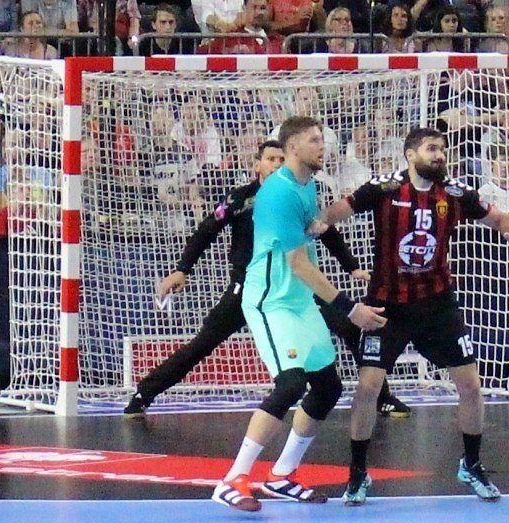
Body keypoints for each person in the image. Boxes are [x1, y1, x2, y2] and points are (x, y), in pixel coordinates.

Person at [315, 127, 509, 505]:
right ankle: (358, 472)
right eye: (431, 148)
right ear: (410, 155)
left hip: (437, 305)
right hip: (387, 306)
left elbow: (502, 219)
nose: (439, 154)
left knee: (470, 385)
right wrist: (315, 223)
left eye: (442, 149)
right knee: (367, 389)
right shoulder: (382, 189)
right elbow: (333, 213)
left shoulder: (456, 194)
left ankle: (472, 464)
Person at [124, 139, 410, 416]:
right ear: (257, 165)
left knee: (350, 327)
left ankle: (381, 397)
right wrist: (182, 269)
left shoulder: (296, 195)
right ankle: (144, 394)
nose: (276, 164)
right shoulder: (241, 198)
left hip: (292, 289)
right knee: (202, 344)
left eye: (281, 160)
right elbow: (207, 230)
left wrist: (351, 267)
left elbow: (327, 230)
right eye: (270, 159)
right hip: (249, 289)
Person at [210, 117, 387, 512]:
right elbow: (298, 264)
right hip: (270, 301)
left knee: (328, 388)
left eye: (322, 138)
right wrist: (349, 308)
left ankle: (281, 475)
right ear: (292, 147)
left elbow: (308, 232)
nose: (322, 145)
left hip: (299, 301)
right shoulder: (278, 193)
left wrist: (319, 225)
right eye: (313, 140)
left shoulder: (309, 186)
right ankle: (232, 479)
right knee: (290, 384)